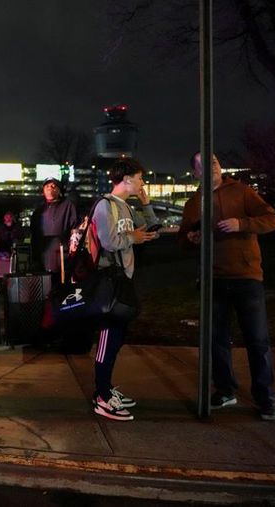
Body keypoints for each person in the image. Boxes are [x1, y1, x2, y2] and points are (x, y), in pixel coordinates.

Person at [179, 152, 275, 421]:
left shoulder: (242, 192)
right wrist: (191, 238)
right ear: (196, 173)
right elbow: (182, 240)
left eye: (213, 161)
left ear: (220, 166)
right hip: (212, 280)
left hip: (246, 277)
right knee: (216, 341)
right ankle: (225, 390)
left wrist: (242, 223)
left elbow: (272, 219)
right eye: (203, 164)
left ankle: (265, 397)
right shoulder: (194, 203)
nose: (211, 166)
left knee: (257, 340)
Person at [90, 158, 159, 421]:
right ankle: (102, 396)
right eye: (140, 178)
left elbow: (153, 230)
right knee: (108, 339)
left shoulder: (126, 208)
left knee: (117, 338)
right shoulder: (105, 206)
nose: (142, 182)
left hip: (124, 279)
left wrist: (146, 204)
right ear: (127, 178)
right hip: (109, 281)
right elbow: (108, 242)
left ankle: (106, 388)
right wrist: (133, 237)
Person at [30, 177, 79, 285]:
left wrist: (74, 243)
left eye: (53, 186)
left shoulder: (68, 206)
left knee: (61, 286)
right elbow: (34, 234)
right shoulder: (39, 210)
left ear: (59, 190)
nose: (50, 189)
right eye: (47, 186)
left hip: (62, 255)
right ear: (43, 190)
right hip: (43, 256)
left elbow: (75, 227)